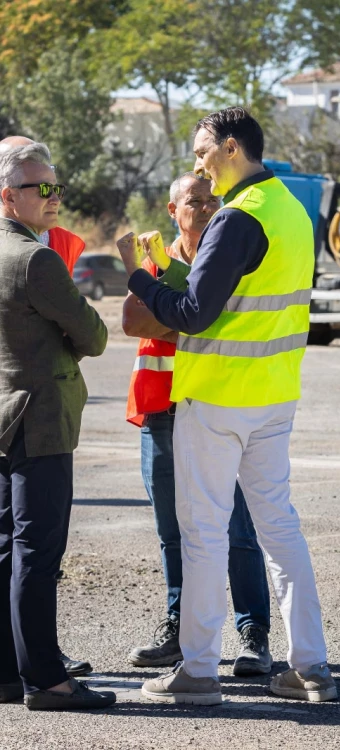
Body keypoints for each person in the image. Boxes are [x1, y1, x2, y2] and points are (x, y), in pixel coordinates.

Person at [118, 106, 336, 705]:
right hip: (274, 396)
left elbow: (192, 314)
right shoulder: (292, 209)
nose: (198, 166)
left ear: (231, 149)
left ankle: (197, 671)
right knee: (280, 529)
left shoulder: (237, 218)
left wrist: (140, 276)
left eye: (201, 153)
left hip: (217, 400)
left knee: (204, 534)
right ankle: (311, 667)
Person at [121, 172, 273, 675]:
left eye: (213, 199)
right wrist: (188, 313)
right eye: (195, 200)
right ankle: (179, 630)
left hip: (214, 407)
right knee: (172, 530)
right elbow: (133, 322)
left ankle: (254, 635)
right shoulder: (158, 258)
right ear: (172, 209)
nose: (206, 207)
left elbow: (205, 316)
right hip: (160, 413)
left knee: (237, 529)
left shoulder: (230, 254)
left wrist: (180, 311)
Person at [0, 143, 114, 710]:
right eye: (40, 188)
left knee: (7, 548)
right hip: (40, 419)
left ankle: (6, 669)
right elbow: (93, 336)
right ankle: (47, 680)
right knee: (37, 554)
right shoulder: (34, 259)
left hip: (4, 415)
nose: (54, 197)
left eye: (56, 185)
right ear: (8, 196)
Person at [0, 137, 85, 275]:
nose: (56, 200)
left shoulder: (64, 242)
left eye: (56, 189)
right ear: (10, 196)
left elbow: (63, 296)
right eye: (43, 189)